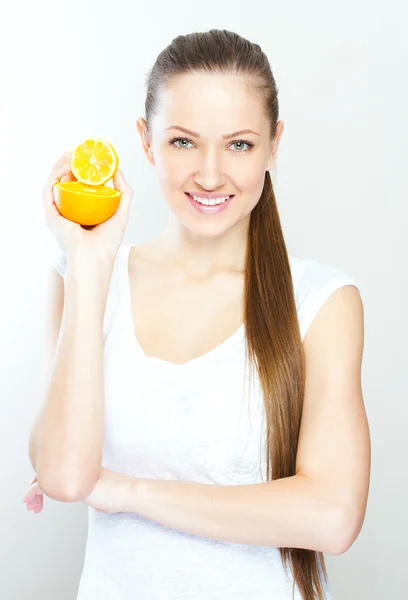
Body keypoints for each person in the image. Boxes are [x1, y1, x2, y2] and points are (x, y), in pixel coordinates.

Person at [28, 29, 370, 600]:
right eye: (184, 142)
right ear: (146, 141)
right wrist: (89, 263)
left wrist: (127, 491)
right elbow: (64, 476)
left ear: (273, 143)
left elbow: (332, 516)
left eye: (239, 144)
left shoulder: (323, 300)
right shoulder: (83, 280)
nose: (211, 175)